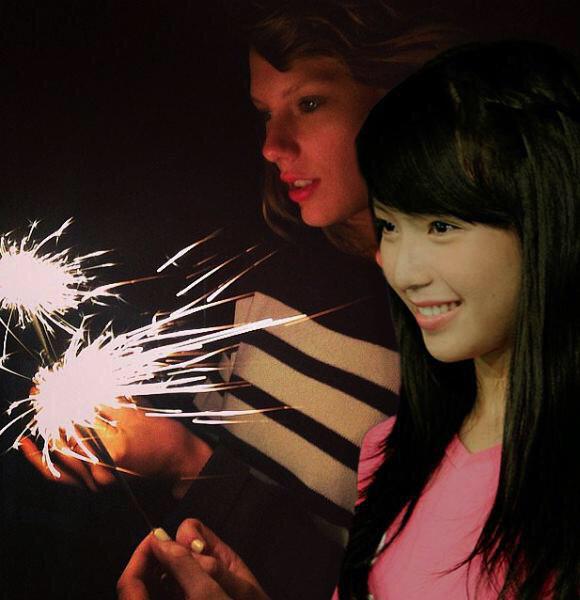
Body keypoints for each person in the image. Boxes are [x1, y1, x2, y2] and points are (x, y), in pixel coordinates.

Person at [117, 40, 580, 599]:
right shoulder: (389, 450)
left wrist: (188, 464)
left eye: (440, 225)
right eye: (389, 225)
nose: (401, 269)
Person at [22, 2, 452, 598]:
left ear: (401, 98)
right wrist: (137, 450)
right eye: (265, 113)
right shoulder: (269, 266)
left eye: (309, 103)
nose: (272, 145)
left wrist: (185, 461)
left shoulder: (451, 331)